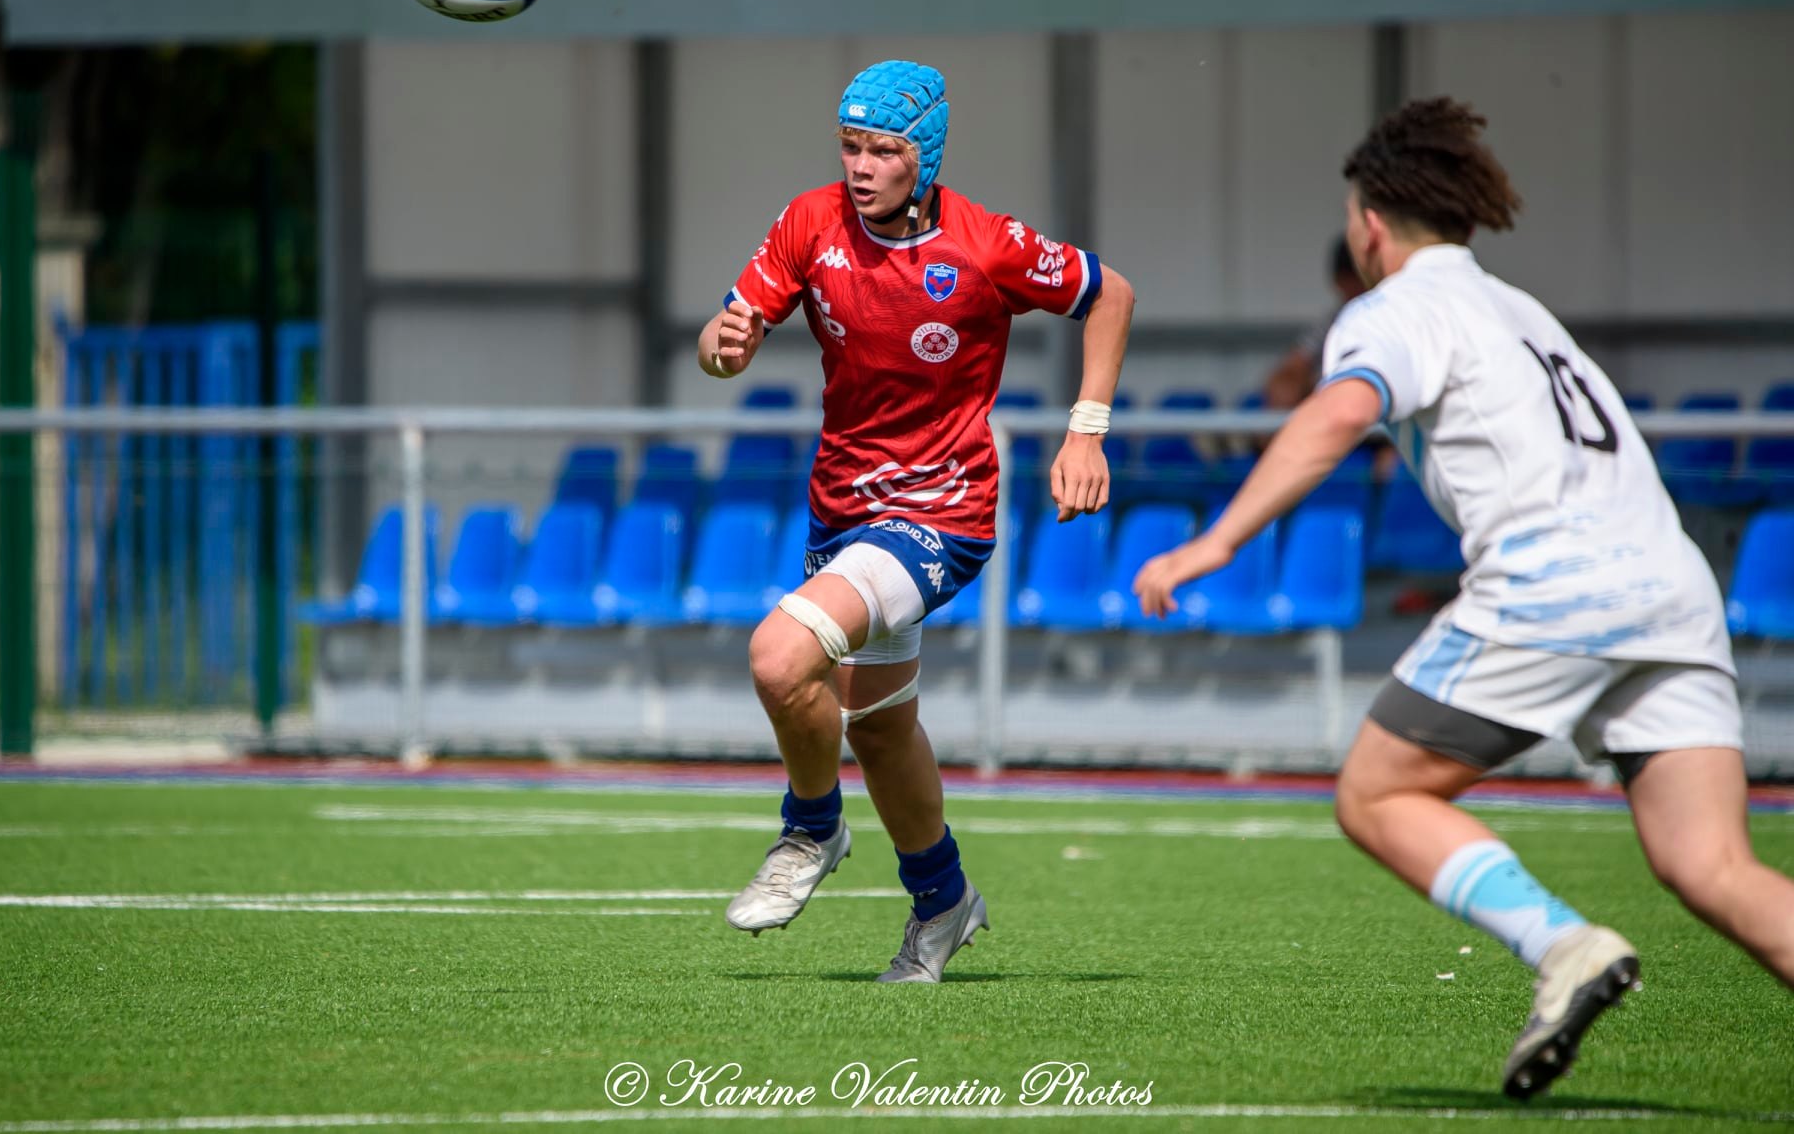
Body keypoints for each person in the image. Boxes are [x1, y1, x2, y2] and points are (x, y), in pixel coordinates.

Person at [1132, 97, 1793, 1097]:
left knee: (1378, 792)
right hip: (1674, 585)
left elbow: (1339, 411)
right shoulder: (1524, 312)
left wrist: (1215, 542)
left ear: (1368, 226)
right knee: (1711, 869)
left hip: (1557, 581)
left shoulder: (1396, 309)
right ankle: (1571, 947)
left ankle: (1564, 945)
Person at [698, 60, 1134, 982]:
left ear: (923, 157)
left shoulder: (986, 243)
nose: (861, 166)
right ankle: (943, 902)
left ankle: (810, 830)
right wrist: (722, 347)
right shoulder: (808, 221)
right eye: (850, 146)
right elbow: (725, 335)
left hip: (944, 512)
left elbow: (1110, 294)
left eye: (884, 150)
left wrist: (1085, 432)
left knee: (781, 655)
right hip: (841, 505)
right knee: (882, 730)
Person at [1262, 237, 1368, 411]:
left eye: (1360, 279)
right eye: (1349, 280)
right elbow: (1290, 372)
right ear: (1338, 281)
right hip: (1334, 414)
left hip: (1377, 420)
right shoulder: (1332, 322)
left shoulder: (1389, 320)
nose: (1357, 288)